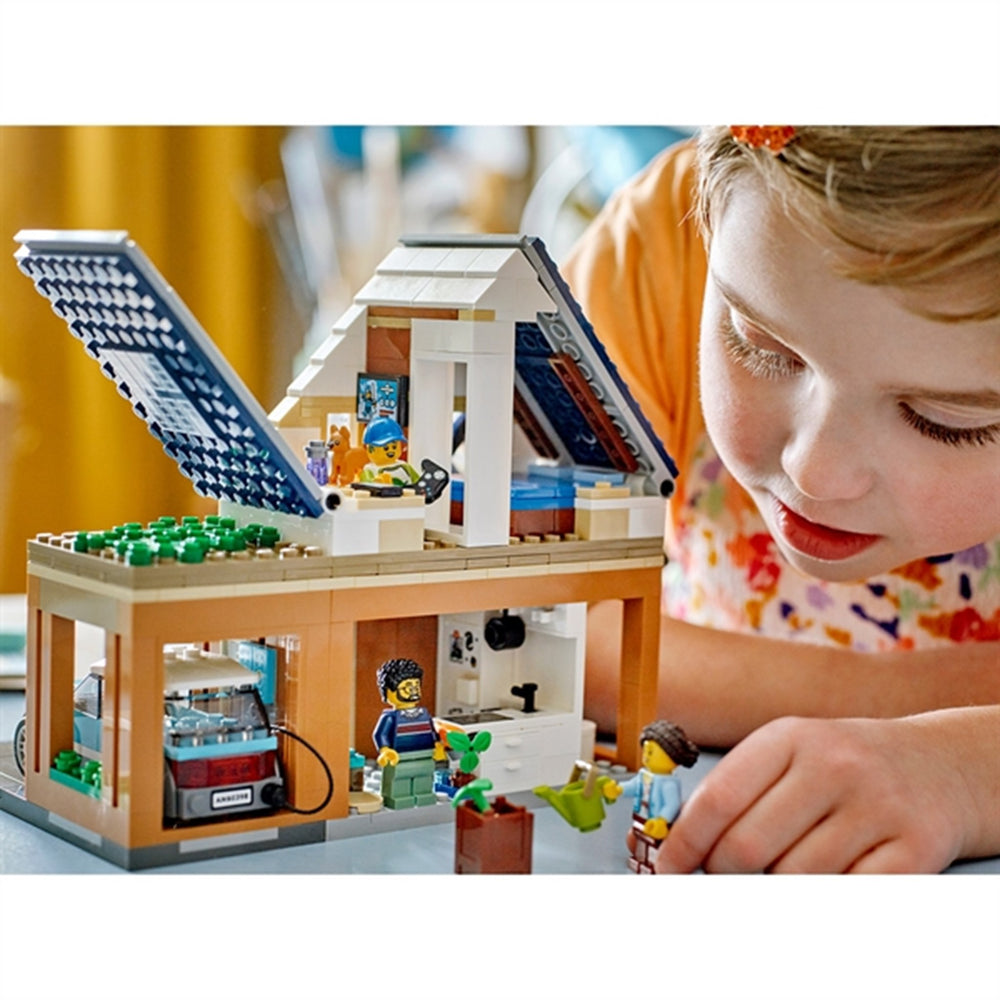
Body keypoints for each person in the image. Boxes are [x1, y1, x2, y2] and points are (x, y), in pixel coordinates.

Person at [562, 126, 1000, 873]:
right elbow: (534, 624)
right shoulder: (662, 242)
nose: (815, 472)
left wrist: (968, 769)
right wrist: (933, 694)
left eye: (944, 420)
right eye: (758, 344)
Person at [604, 720, 700, 873]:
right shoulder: (644, 775)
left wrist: (662, 820)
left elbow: (672, 804)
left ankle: (654, 864)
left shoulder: (669, 783)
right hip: (642, 816)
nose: (646, 757)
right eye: (645, 751)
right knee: (640, 840)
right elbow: (633, 786)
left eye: (651, 752)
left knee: (654, 845)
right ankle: (641, 860)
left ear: (672, 757)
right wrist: (618, 789)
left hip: (656, 823)